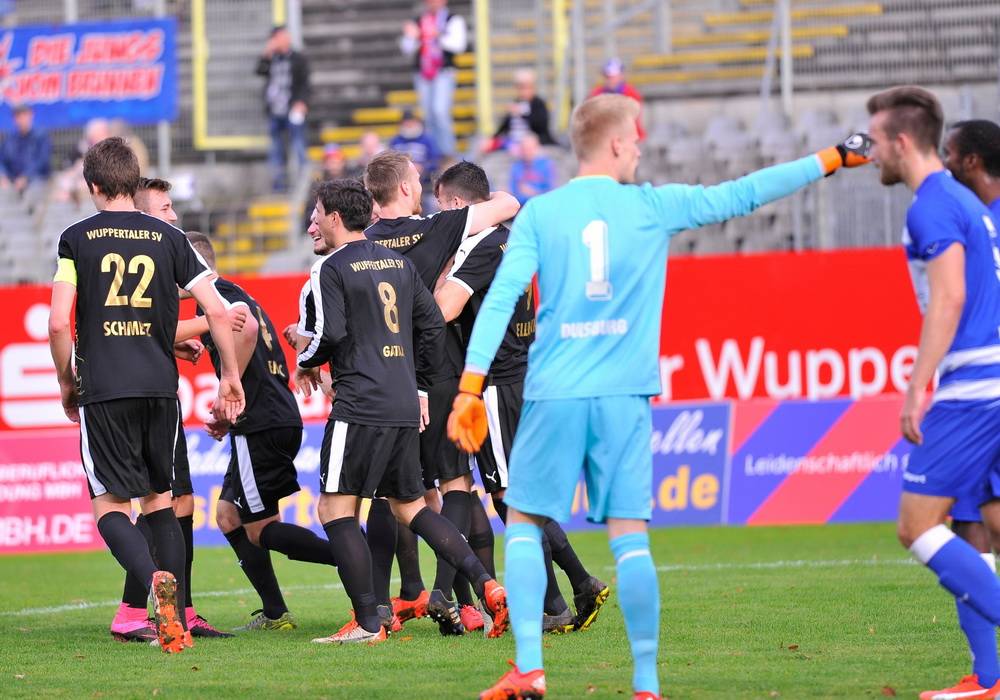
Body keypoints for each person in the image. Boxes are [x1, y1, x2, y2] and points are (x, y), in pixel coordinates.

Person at [446, 93, 869, 698]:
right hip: (624, 394)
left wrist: (469, 386)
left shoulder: (542, 213)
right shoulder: (651, 206)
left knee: (523, 522)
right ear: (617, 143)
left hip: (554, 392)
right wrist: (832, 158)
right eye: (636, 139)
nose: (640, 149)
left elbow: (499, 301)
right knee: (629, 537)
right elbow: (744, 194)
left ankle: (530, 670)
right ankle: (646, 684)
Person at [47, 136, 245, 653]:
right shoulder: (170, 237)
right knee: (161, 502)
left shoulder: (75, 238)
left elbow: (58, 323)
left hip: (104, 389)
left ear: (93, 186)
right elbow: (217, 309)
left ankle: (153, 582)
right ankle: (174, 618)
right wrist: (230, 375)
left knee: (110, 505)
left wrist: (67, 383)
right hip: (160, 387)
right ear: (134, 182)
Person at [296, 179, 509, 643]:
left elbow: (329, 335)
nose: (314, 222)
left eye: (318, 213)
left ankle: (368, 623)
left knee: (335, 509)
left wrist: (304, 355)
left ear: (335, 217)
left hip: (359, 403)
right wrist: (421, 385)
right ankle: (486, 584)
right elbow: (431, 325)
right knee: (410, 506)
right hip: (402, 402)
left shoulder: (330, 267)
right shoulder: (398, 264)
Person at [434, 160, 609, 635]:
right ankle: (567, 594)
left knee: (509, 496)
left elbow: (444, 309)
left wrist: (433, 276)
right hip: (523, 376)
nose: (440, 217)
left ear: (457, 204)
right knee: (517, 494)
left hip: (496, 384)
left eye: (442, 207)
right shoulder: (513, 238)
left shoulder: (480, 247)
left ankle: (570, 591)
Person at [866, 90, 1000, 700]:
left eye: (875, 142)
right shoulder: (963, 200)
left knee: (916, 525)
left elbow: (949, 298)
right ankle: (988, 678)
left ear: (901, 142)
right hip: (988, 377)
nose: (870, 154)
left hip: (975, 385)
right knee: (975, 524)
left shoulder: (933, 207)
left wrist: (916, 389)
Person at [364, 151, 519, 634]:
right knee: (456, 486)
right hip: (439, 373)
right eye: (415, 179)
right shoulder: (438, 227)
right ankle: (447, 592)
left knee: (393, 497)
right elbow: (508, 203)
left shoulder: (362, 243)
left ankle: (383, 605)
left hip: (386, 378)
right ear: (405, 188)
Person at [175, 231, 338, 633]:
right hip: (274, 417)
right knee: (229, 515)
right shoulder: (233, 291)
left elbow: (245, 330)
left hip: (260, 423)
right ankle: (276, 612)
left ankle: (354, 556)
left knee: (259, 528)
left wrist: (228, 390)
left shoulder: (216, 297)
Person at [109, 178, 242, 643]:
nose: (173, 216)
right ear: (144, 214)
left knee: (176, 503)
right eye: (165, 208)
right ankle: (137, 611)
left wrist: (176, 342)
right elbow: (140, 328)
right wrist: (207, 321)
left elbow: (147, 328)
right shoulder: (152, 253)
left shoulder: (150, 258)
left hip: (154, 393)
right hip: (145, 397)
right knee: (158, 503)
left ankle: (180, 609)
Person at [401, 0, 467, 158]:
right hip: (423, 73)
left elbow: (458, 45)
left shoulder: (452, 19)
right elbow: (407, 48)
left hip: (443, 72)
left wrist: (436, 35)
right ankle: (434, 154)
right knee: (428, 115)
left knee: (440, 111)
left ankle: (448, 153)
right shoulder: (419, 21)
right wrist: (414, 36)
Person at [256, 25, 311, 192]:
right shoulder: (272, 59)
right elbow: (259, 71)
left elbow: (305, 83)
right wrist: (266, 54)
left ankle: (304, 181)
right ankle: (278, 184)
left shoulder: (298, 58)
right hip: (275, 111)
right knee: (276, 149)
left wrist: (302, 102)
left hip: (293, 109)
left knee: (298, 144)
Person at [485, 69, 555, 153]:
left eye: (526, 87)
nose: (523, 91)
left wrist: (522, 114)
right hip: (514, 141)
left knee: (528, 144)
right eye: (520, 87)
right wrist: (492, 138)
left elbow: (541, 126)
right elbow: (504, 126)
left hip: (533, 141)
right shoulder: (516, 102)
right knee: (486, 144)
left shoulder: (539, 103)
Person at [390, 110, 441, 213]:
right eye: (406, 123)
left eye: (411, 122)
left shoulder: (427, 140)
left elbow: (436, 160)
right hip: (401, 185)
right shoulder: (395, 141)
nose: (408, 126)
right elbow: (390, 163)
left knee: (431, 205)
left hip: (425, 184)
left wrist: (423, 167)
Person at [0, 104, 50, 196]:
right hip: (13, 181)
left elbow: (42, 161)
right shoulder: (10, 139)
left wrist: (26, 177)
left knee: (32, 194)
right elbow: (2, 160)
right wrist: (2, 175)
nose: (21, 119)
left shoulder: (41, 137)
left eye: (24, 115)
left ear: (31, 115)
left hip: (36, 180)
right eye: (18, 116)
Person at [589, 58, 645, 140]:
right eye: (608, 77)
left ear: (621, 75)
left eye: (613, 76)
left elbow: (629, 118)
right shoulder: (596, 93)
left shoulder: (631, 93)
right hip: (605, 138)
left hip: (630, 137)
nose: (610, 80)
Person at [510, 134, 555, 205]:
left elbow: (551, 192)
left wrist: (533, 193)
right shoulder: (516, 167)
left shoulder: (546, 165)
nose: (527, 152)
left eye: (530, 149)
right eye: (524, 149)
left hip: (541, 205)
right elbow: (513, 192)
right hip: (521, 206)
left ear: (537, 148)